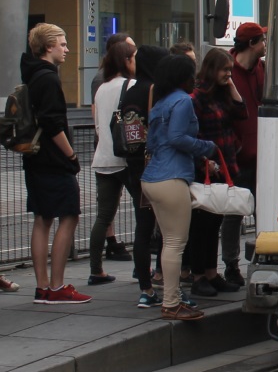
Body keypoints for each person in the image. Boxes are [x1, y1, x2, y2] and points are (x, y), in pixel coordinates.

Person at [142, 54, 216, 321]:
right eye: (191, 75)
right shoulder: (183, 101)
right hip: (172, 178)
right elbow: (177, 138)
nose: (194, 80)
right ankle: (172, 303)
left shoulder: (160, 103)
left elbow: (152, 143)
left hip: (152, 178)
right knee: (175, 243)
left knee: (168, 243)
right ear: (181, 78)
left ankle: (171, 299)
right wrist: (206, 147)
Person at [21, 23, 91, 304]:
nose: (66, 49)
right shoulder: (49, 78)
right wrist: (71, 154)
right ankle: (57, 286)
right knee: (69, 215)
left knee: (42, 218)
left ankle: (42, 288)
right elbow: (53, 122)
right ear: (48, 47)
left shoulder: (31, 74)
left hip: (34, 157)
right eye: (62, 44)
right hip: (53, 159)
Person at [190, 49, 246, 297]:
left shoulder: (220, 94)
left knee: (215, 223)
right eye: (225, 70)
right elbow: (194, 133)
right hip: (207, 167)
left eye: (231, 70)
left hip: (224, 165)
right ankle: (198, 275)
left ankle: (212, 273)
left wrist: (230, 83)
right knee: (201, 224)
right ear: (213, 69)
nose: (228, 75)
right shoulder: (197, 97)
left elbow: (241, 112)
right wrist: (205, 162)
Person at [120, 45, 168, 308]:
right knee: (165, 227)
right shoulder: (154, 90)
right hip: (155, 166)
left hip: (133, 166)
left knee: (142, 227)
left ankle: (145, 287)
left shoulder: (130, 90)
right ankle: (161, 277)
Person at [88, 38, 139, 286]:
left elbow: (98, 126)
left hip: (104, 157)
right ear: (127, 60)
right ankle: (142, 270)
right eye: (134, 57)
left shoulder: (101, 89)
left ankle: (95, 270)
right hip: (127, 159)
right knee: (144, 212)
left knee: (103, 216)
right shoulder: (132, 85)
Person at [225, 22, 266, 287]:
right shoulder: (227, 72)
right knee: (233, 214)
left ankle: (265, 261)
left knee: (267, 211)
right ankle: (230, 265)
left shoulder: (263, 69)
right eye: (262, 40)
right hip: (238, 158)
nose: (265, 44)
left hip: (263, 156)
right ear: (252, 44)